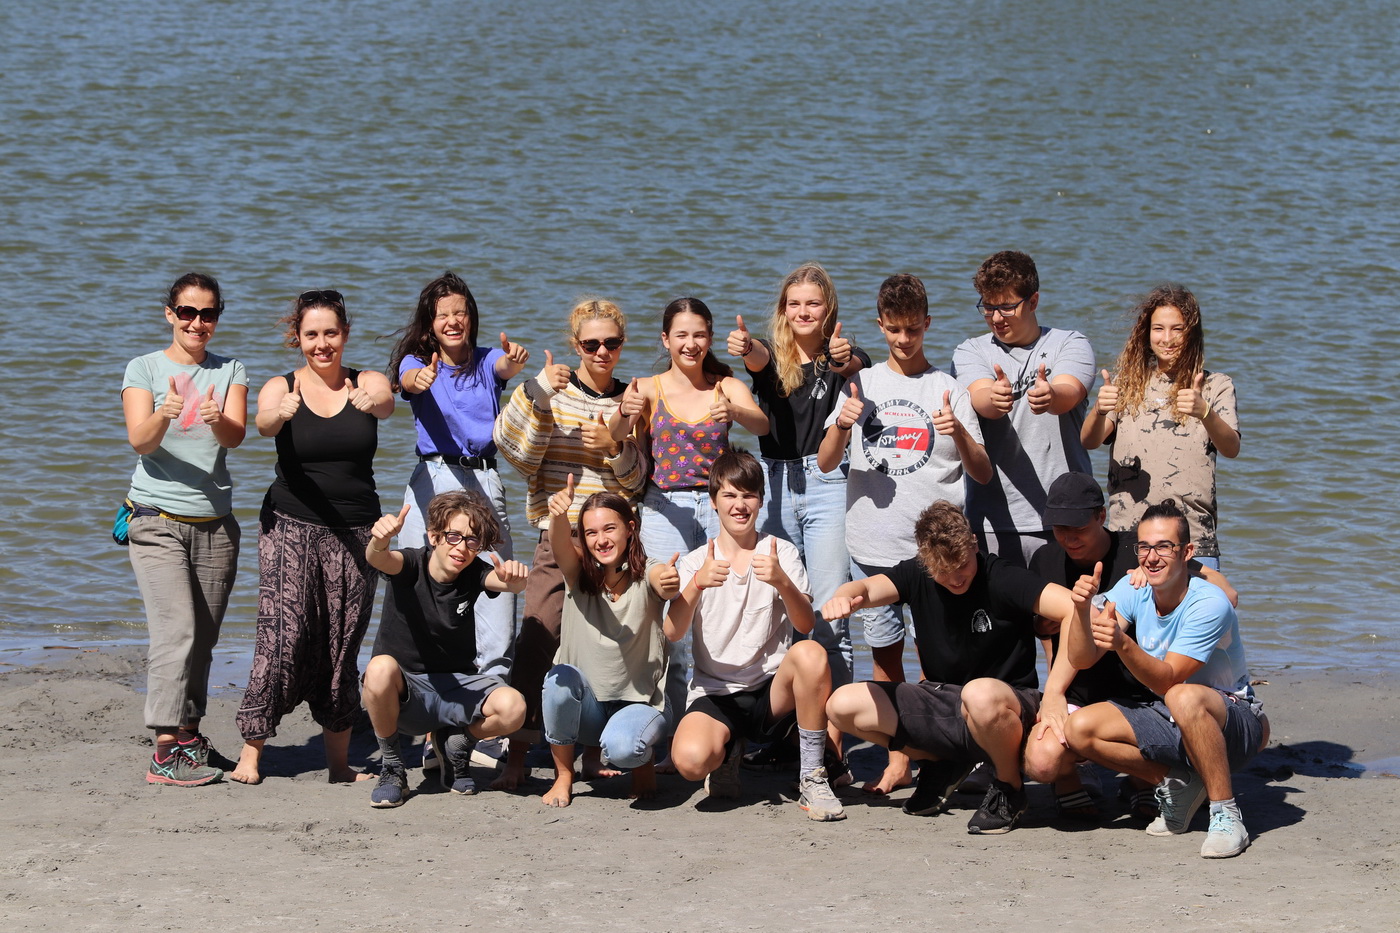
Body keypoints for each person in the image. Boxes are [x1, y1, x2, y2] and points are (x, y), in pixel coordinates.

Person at [817, 273, 991, 795]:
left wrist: (960, 433)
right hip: (873, 546)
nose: (903, 339)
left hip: (937, 554)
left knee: (944, 657)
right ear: (880, 326)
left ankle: (961, 750)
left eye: (913, 329)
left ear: (927, 324)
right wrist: (841, 425)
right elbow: (825, 462)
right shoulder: (863, 384)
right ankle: (900, 758)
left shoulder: (948, 389)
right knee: (886, 656)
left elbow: (982, 473)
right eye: (894, 329)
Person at [823, 501, 1091, 835]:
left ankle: (1009, 786)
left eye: (962, 565)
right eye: (942, 570)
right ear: (925, 560)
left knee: (984, 698)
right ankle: (941, 762)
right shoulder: (916, 573)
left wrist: (1054, 693)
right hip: (944, 700)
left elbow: (1075, 609)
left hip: (1007, 704)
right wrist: (844, 595)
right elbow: (865, 589)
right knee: (841, 705)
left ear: (974, 544)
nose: (955, 578)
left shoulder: (1002, 576)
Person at [233, 289, 394, 785]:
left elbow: (387, 403)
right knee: (282, 636)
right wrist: (279, 413)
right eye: (311, 335)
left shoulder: (366, 381)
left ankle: (339, 766)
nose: (321, 344)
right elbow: (262, 425)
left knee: (342, 645)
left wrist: (373, 400)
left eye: (330, 333)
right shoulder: (280, 386)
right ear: (297, 338)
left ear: (344, 334)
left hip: (357, 532)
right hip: (289, 525)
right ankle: (250, 753)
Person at [492, 298, 648, 790]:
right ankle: (517, 754)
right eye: (591, 343)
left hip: (612, 544)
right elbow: (515, 452)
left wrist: (616, 447)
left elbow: (638, 482)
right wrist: (537, 392)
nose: (602, 352)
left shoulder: (632, 398)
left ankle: (590, 754)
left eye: (612, 343)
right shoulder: (552, 390)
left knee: (605, 647)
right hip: (557, 534)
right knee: (538, 640)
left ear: (622, 344)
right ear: (575, 344)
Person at [1022, 471, 1237, 819]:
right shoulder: (1045, 559)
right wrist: (1053, 692)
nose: (1069, 538)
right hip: (1078, 683)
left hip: (1139, 691)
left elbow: (1225, 592)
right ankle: (1070, 781)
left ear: (1101, 516)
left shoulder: (1138, 551)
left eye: (1078, 527)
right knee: (1042, 762)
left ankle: (1147, 780)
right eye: (1059, 528)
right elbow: (1048, 636)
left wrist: (1154, 576)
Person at [1063, 500, 1268, 859]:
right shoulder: (1133, 588)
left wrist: (1123, 643)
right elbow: (1081, 658)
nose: (1151, 557)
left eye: (1164, 547)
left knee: (1182, 696)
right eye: (1144, 547)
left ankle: (1226, 815)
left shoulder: (1209, 603)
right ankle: (1182, 785)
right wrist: (1081, 611)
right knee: (1079, 729)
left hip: (1236, 721)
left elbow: (1168, 680)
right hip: (1171, 714)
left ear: (1187, 552)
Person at [610, 297, 768, 743]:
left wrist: (735, 412)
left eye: (699, 334)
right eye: (681, 335)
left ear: (710, 338)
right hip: (664, 508)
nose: (691, 343)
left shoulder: (725, 386)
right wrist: (624, 410)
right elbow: (614, 437)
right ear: (666, 339)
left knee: (725, 612)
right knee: (670, 623)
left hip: (722, 509)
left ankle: (722, 726)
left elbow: (762, 424)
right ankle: (673, 732)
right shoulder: (647, 387)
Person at [665, 449, 845, 821]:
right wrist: (696, 584)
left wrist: (782, 581)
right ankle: (727, 753)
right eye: (729, 495)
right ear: (713, 501)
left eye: (748, 495)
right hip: (716, 693)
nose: (739, 505)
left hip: (771, 693)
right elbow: (672, 631)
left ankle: (813, 776)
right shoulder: (696, 561)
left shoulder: (780, 552)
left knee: (812, 653)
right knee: (690, 761)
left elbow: (805, 625)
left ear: (761, 501)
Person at [122, 272, 247, 786]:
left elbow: (235, 437)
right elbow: (140, 440)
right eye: (188, 312)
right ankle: (163, 750)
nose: (198, 322)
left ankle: (189, 738)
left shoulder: (230, 369)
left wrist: (216, 418)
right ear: (170, 314)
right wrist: (163, 413)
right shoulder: (144, 368)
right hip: (156, 520)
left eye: (208, 313)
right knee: (176, 632)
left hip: (216, 525)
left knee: (202, 640)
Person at [726, 262, 870, 686]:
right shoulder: (771, 355)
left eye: (813, 304)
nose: (803, 312)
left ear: (829, 309)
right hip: (773, 485)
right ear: (783, 310)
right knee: (779, 611)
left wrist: (843, 357)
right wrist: (746, 345)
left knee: (829, 616)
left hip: (829, 483)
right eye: (794, 304)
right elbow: (757, 357)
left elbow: (853, 363)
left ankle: (837, 719)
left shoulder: (843, 354)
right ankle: (788, 714)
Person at [388, 270, 529, 681]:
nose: (452, 321)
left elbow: (504, 366)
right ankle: (411, 680)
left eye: (460, 313)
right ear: (430, 324)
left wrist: (515, 360)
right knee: (415, 574)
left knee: (497, 571)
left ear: (471, 317)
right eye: (443, 315)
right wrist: (421, 378)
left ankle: (493, 685)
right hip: (433, 477)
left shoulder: (485, 359)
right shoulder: (417, 362)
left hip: (483, 478)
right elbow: (408, 380)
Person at [360, 492, 529, 808]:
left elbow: (503, 581)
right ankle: (392, 767)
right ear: (434, 536)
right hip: (407, 692)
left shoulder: (474, 572)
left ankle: (457, 744)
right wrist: (380, 541)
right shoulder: (410, 563)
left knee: (514, 708)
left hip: (456, 690)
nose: (462, 548)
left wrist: (516, 580)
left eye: (472, 541)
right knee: (379, 668)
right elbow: (379, 558)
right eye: (453, 536)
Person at [951, 250, 1097, 567]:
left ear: (1033, 302)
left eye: (1007, 307)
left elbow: (1070, 391)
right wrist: (995, 398)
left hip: (1065, 520)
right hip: (993, 523)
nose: (996, 318)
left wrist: (1050, 395)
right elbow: (980, 397)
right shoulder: (970, 350)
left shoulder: (1070, 343)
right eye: (988, 307)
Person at [1080, 284, 1241, 568]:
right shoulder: (1127, 384)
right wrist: (1098, 409)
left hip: (1193, 539)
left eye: (1177, 329)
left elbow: (1231, 448)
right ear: (1147, 333)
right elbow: (1089, 441)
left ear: (1192, 333)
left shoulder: (1216, 385)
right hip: (1128, 536)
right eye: (1158, 329)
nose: (1167, 338)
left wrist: (1205, 412)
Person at [539, 483, 680, 807]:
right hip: (587, 709)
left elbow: (662, 579)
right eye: (590, 533)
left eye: (609, 529)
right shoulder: (577, 573)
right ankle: (564, 775)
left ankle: (642, 765)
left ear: (630, 529)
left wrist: (669, 582)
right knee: (558, 681)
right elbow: (560, 546)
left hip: (641, 704)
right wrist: (558, 516)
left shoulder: (648, 571)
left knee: (624, 749)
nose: (600, 540)